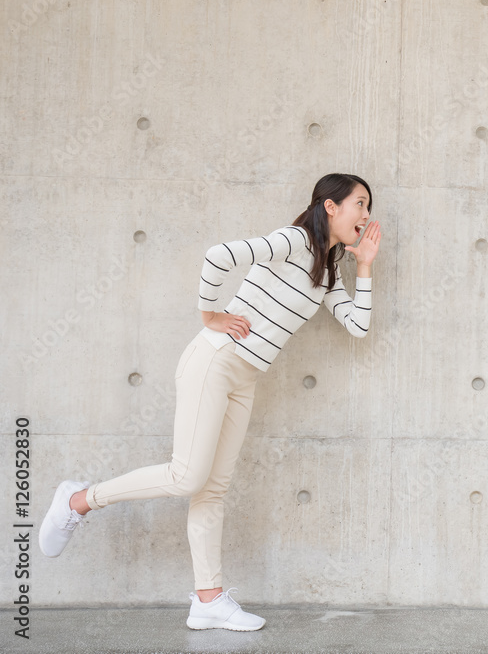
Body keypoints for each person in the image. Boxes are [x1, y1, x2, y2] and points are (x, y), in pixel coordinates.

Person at [38, 173, 381, 631]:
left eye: (369, 207)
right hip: (216, 360)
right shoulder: (294, 239)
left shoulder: (326, 269)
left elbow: (358, 326)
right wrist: (210, 314)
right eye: (360, 203)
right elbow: (218, 256)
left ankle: (208, 600)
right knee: (187, 476)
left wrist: (365, 266)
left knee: (211, 489)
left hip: (245, 376)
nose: (366, 215)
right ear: (331, 206)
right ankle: (78, 500)